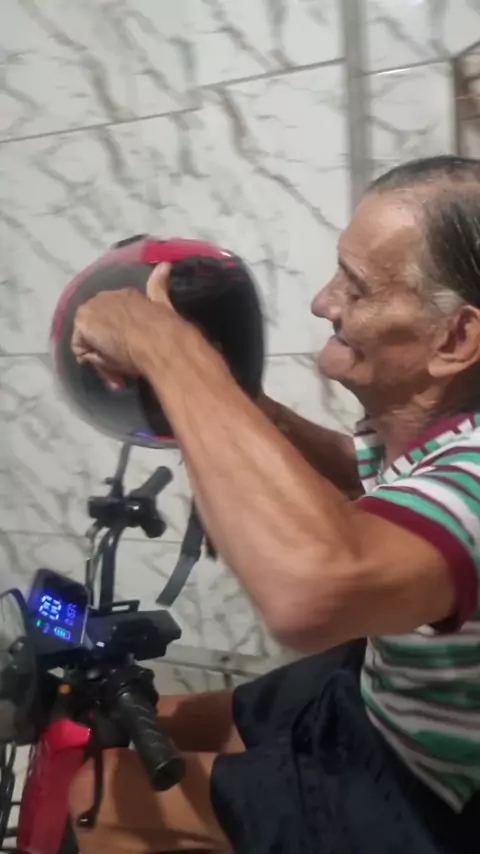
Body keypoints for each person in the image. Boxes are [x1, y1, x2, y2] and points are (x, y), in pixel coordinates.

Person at [68, 155, 480, 853]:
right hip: (376, 701)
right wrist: (235, 399)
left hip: (427, 797)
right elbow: (371, 480)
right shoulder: (433, 430)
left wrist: (163, 346)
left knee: (93, 798)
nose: (323, 302)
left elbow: (313, 590)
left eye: (356, 286)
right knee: (159, 721)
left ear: (457, 338)